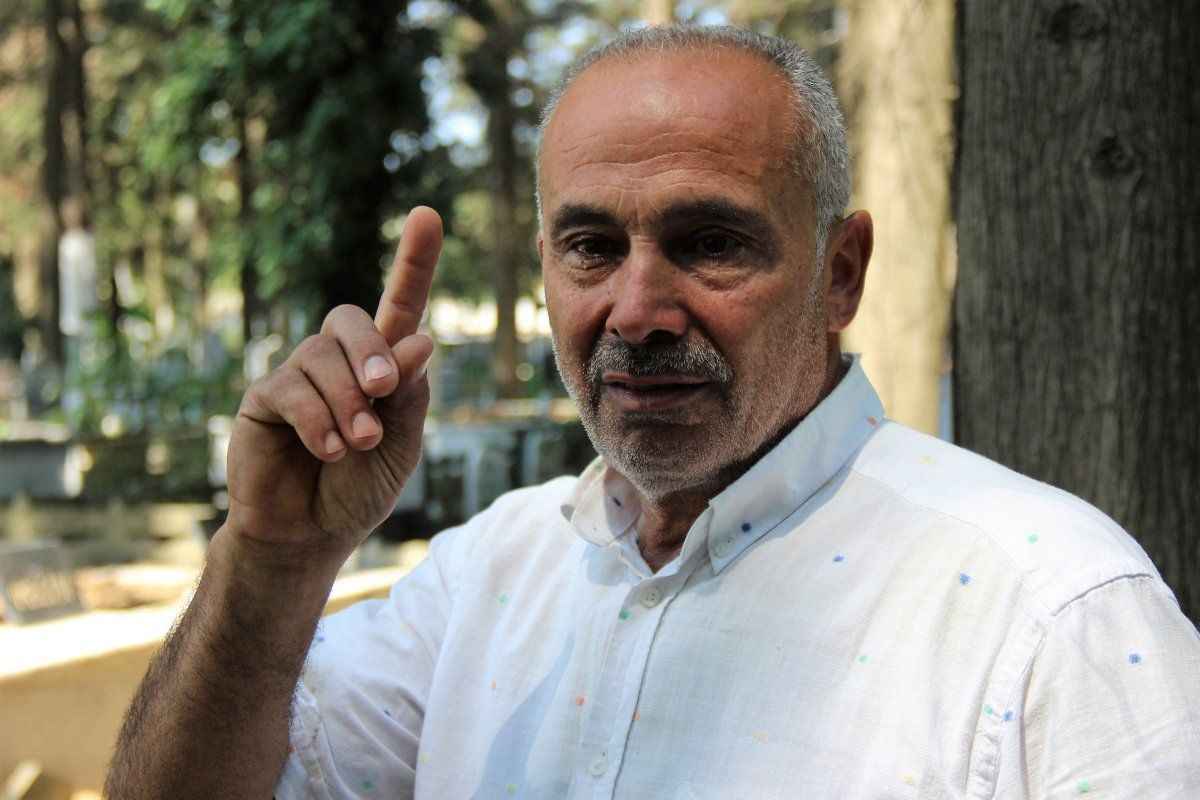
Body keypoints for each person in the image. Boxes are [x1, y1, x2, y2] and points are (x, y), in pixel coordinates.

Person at [106, 26, 1200, 800]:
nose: (636, 309)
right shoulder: (487, 579)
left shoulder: (1054, 615)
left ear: (841, 272)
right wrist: (271, 561)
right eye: (591, 246)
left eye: (710, 242)